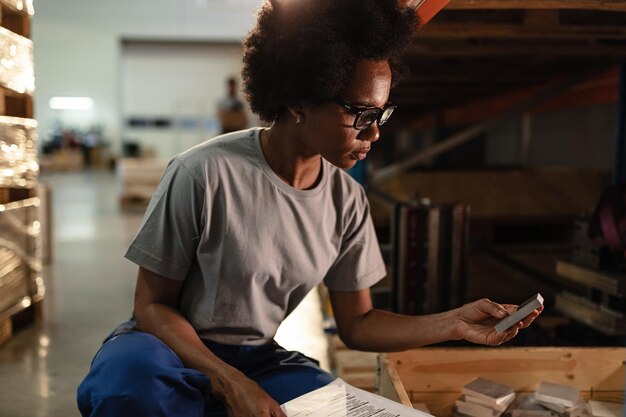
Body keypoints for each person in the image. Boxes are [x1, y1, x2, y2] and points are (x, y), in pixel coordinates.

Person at [76, 1, 543, 416]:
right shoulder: (203, 173)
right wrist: (228, 381)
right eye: (360, 113)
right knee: (126, 391)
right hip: (168, 349)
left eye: (381, 114)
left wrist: (454, 323)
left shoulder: (347, 200)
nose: (374, 132)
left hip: (259, 357)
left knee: (341, 410)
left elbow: (358, 325)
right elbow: (152, 305)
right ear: (299, 100)